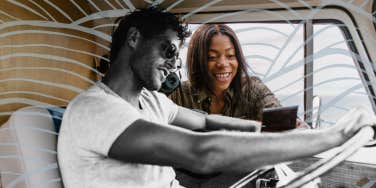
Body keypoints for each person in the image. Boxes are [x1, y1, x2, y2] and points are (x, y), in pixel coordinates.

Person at [57, 8, 376, 188]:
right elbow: (201, 151)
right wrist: (329, 137)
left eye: (176, 57)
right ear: (135, 38)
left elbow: (207, 123)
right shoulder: (92, 110)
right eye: (168, 50)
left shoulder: (153, 102)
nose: (172, 64)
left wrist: (284, 124)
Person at [169, 24, 307, 128]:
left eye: (230, 56)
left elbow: (292, 126)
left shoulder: (253, 89)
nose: (223, 64)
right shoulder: (179, 95)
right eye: (211, 57)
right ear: (197, 62)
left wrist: (294, 126)